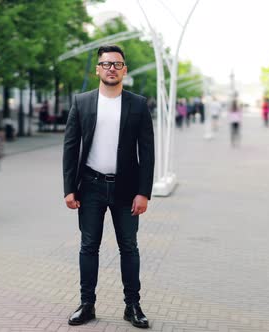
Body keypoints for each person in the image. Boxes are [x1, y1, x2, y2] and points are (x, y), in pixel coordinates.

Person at [62, 45, 155, 328]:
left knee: (129, 247)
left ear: (124, 70)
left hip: (127, 190)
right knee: (89, 246)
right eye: (106, 64)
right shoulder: (82, 102)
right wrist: (68, 188)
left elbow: (147, 151)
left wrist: (144, 192)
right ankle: (87, 304)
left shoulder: (138, 104)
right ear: (97, 69)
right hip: (90, 186)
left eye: (117, 64)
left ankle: (133, 306)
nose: (111, 68)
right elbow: (70, 146)